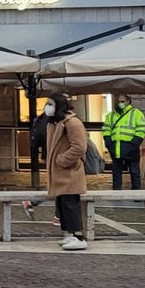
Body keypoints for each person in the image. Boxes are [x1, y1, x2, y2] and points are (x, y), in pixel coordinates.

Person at [45, 91, 89, 250]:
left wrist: (61, 160)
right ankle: (70, 234)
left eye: (50, 104)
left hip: (69, 171)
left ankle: (78, 236)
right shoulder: (55, 123)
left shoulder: (72, 123)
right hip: (60, 172)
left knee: (70, 203)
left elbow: (79, 147)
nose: (47, 107)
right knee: (63, 203)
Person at [102, 95, 145, 190]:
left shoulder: (136, 113)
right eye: (118, 101)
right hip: (116, 147)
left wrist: (135, 143)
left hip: (131, 147)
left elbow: (141, 129)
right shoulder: (111, 115)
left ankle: (136, 192)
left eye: (123, 101)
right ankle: (116, 192)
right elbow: (106, 129)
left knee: (134, 171)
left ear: (128, 101)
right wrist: (109, 142)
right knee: (116, 171)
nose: (120, 103)